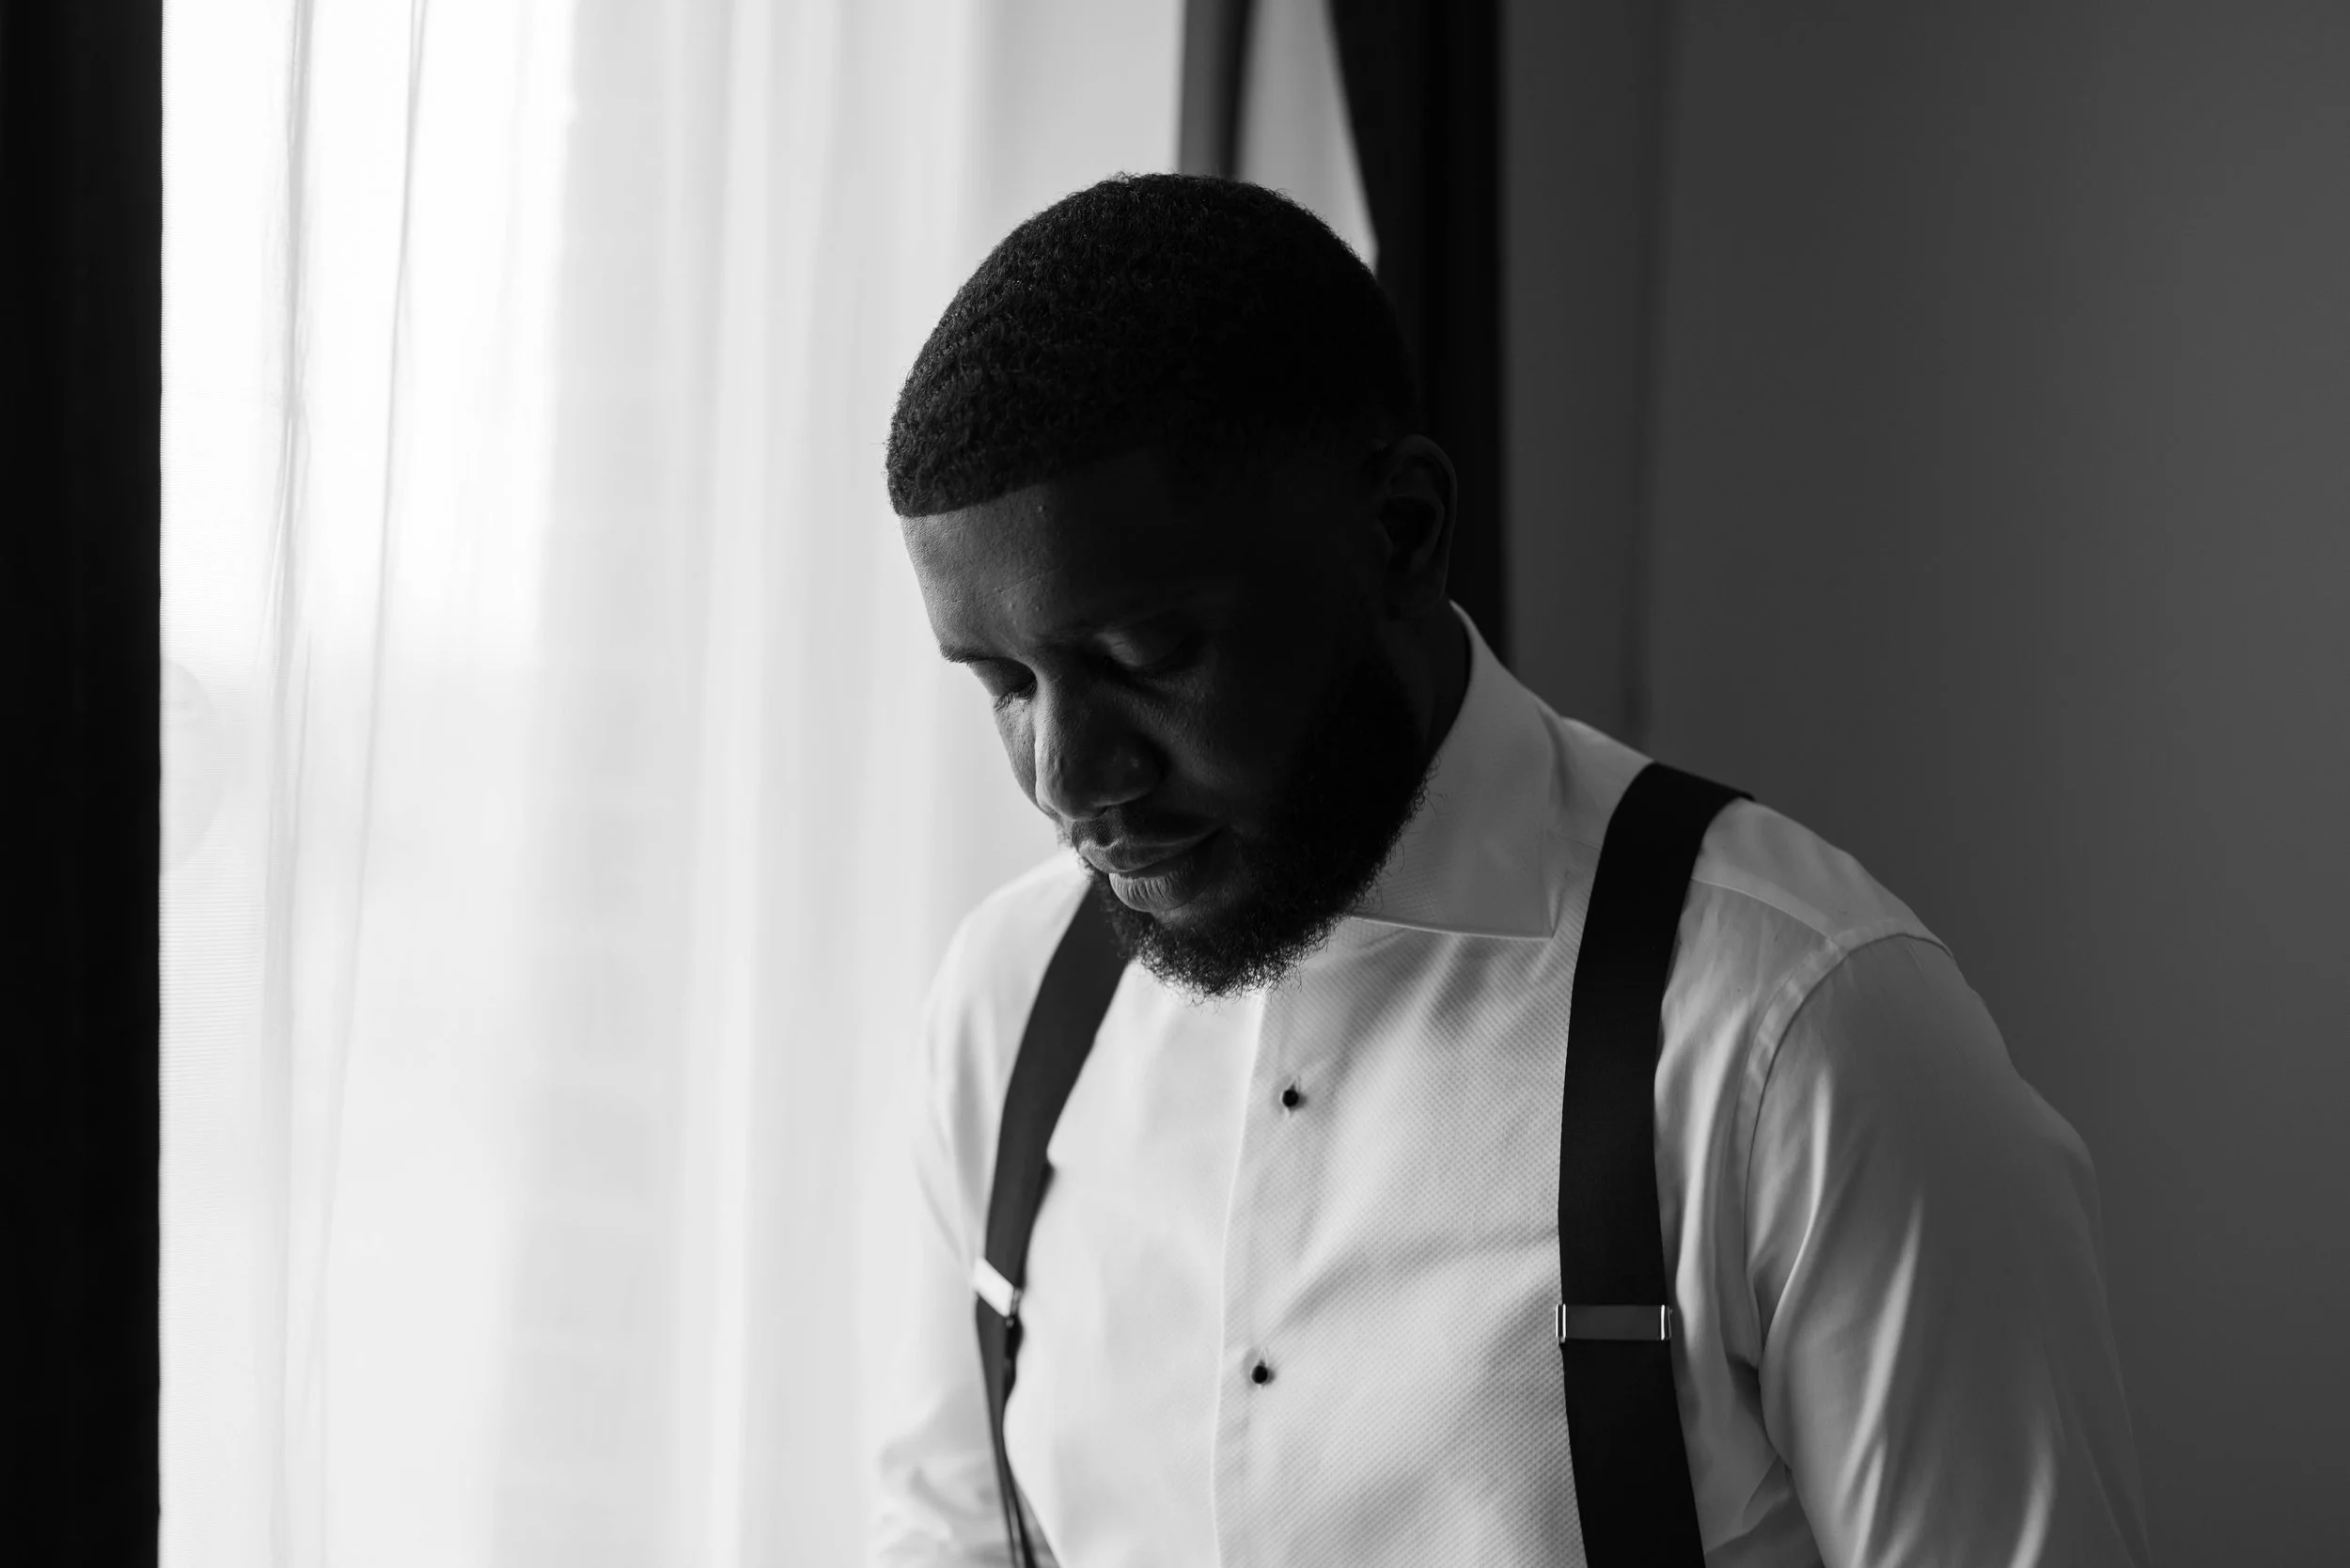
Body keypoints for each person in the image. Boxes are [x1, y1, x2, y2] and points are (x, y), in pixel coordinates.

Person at [865, 173, 2148, 1567]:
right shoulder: (1009, 1003)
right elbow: (949, 1534)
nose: (1067, 779)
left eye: (1147, 658)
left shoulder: (1804, 1043)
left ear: (1403, 533)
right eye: (1003, 682)